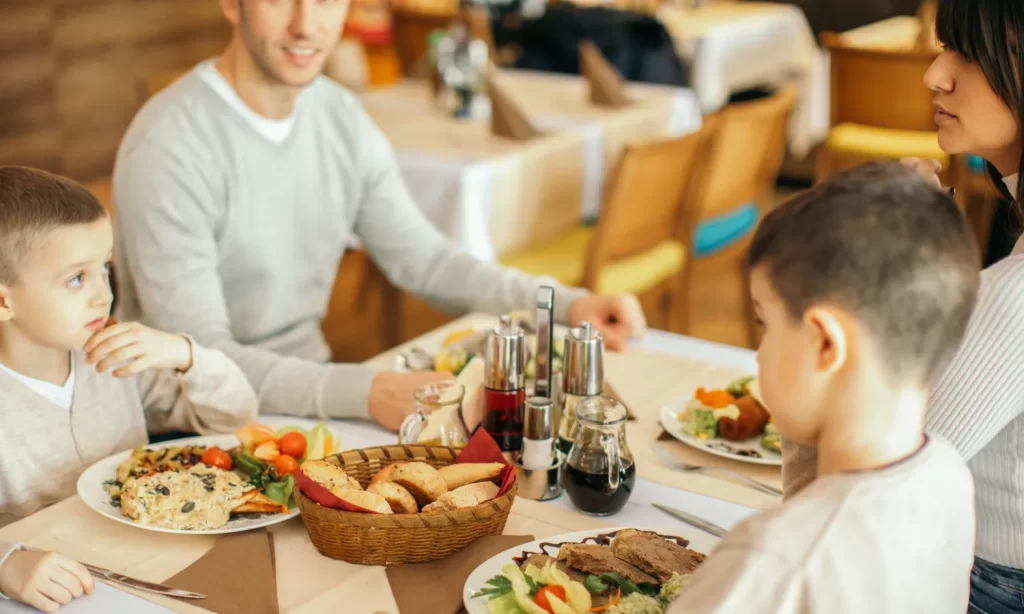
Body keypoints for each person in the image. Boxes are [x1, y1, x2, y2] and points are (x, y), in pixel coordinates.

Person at [110, 0, 647, 432]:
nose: (306, 24)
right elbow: (204, 358)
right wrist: (364, 391)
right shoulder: (169, 146)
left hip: (310, 399)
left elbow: (425, 259)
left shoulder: (338, 114)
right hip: (195, 425)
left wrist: (565, 304)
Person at [789, 2, 1024, 611]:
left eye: (967, 55)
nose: (935, 75)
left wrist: (876, 278)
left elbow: (833, 506)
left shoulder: (1017, 293)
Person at [668, 163, 979, 613]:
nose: (758, 354)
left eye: (764, 323)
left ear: (826, 342)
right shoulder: (948, 474)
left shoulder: (772, 561)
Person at [0, 167, 259, 612]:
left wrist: (185, 355)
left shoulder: (115, 357)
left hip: (152, 570)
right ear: (4, 301)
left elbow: (233, 420)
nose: (104, 295)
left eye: (105, 267)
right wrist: (7, 566)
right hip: (53, 597)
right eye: (77, 279)